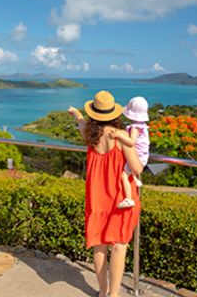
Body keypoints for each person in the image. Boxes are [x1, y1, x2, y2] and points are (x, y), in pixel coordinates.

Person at [68, 90, 143, 297]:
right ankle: (114, 294)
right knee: (119, 246)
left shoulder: (90, 136)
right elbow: (137, 168)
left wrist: (76, 115)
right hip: (121, 199)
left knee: (99, 246)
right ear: (115, 114)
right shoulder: (121, 137)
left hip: (98, 198)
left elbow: (82, 124)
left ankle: (102, 291)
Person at [110, 96, 150, 209]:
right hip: (143, 156)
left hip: (138, 157)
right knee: (128, 167)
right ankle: (136, 179)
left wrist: (118, 135)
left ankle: (128, 199)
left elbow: (131, 142)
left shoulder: (135, 128)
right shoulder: (143, 126)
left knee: (123, 174)